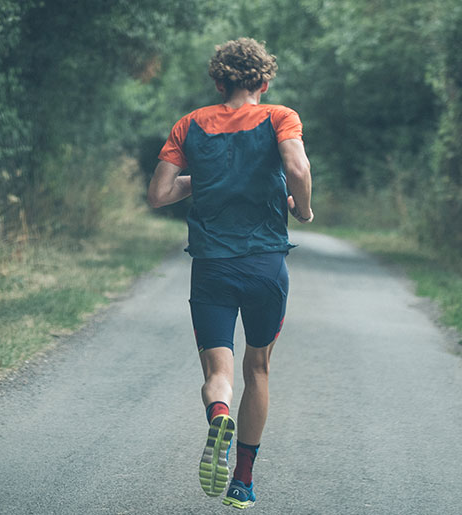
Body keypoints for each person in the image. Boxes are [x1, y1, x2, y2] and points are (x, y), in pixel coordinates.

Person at [146, 37, 313, 510]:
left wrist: (209, 176)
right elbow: (297, 166)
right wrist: (303, 209)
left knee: (219, 372)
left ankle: (218, 411)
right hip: (264, 265)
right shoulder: (281, 117)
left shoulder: (190, 124)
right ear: (264, 80)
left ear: (219, 81)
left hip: (211, 268)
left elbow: (158, 193)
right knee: (257, 367)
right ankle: (242, 482)